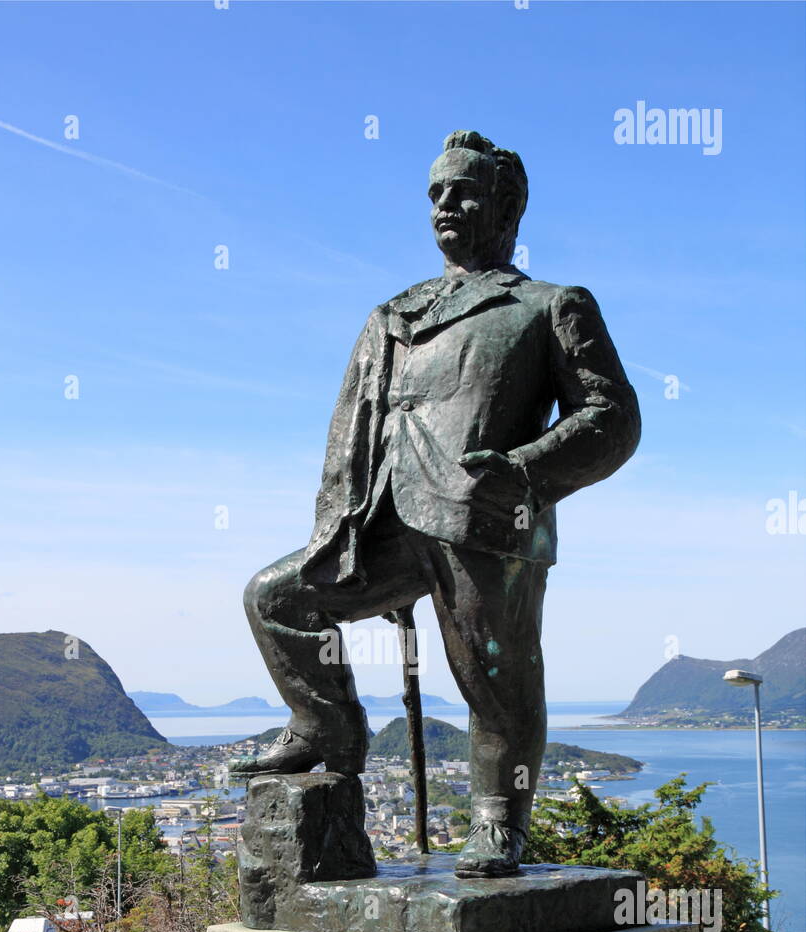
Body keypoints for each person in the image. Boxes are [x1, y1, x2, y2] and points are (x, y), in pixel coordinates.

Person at [231, 130, 640, 876]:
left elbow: (612, 419)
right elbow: (348, 424)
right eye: (435, 193)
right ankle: (328, 729)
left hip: (486, 517)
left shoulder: (549, 305)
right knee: (276, 598)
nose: (445, 204)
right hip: (377, 520)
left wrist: (522, 471)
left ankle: (498, 824)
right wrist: (336, 525)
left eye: (464, 190)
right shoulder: (392, 314)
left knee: (496, 676)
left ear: (509, 204)